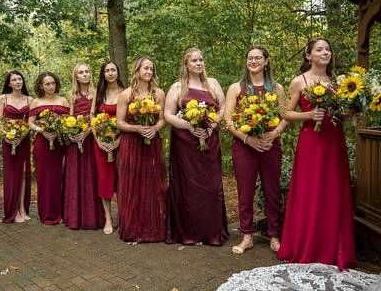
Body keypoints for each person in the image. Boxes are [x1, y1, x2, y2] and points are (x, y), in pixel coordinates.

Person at [277, 38, 356, 270]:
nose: (325, 52)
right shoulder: (299, 81)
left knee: (333, 191)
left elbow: (341, 114)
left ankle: (333, 248)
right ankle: (307, 246)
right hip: (312, 141)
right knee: (310, 190)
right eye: (319, 49)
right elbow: (285, 114)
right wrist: (309, 115)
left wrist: (352, 116)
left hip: (334, 141)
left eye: (328, 49)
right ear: (308, 55)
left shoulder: (338, 82)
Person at [224, 45, 289, 254]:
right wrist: (247, 139)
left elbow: (286, 116)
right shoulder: (236, 87)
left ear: (266, 61)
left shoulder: (276, 88)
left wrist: (275, 133)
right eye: (250, 58)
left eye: (258, 58)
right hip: (245, 146)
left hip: (270, 144)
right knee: (245, 191)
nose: (253, 61)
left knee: (272, 191)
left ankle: (274, 236)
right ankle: (247, 236)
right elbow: (228, 121)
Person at [164, 47, 229, 245]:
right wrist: (189, 126)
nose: (199, 63)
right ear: (186, 64)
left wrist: (212, 127)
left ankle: (211, 232)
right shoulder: (177, 87)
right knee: (188, 187)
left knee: (210, 187)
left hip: (209, 141)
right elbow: (168, 114)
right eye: (194, 61)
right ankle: (188, 232)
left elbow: (223, 108)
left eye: (201, 60)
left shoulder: (213, 84)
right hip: (185, 144)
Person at [116, 56, 167, 242]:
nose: (149, 72)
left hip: (152, 142)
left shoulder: (159, 93)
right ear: (137, 70)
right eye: (146, 68)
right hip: (131, 143)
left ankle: (153, 228)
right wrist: (137, 128)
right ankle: (133, 229)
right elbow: (119, 122)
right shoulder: (126, 95)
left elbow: (163, 119)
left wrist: (154, 128)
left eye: (151, 69)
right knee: (132, 184)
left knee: (153, 182)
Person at [64, 63, 104, 229]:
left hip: (91, 138)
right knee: (75, 176)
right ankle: (75, 218)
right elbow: (71, 118)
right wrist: (74, 133)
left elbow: (96, 117)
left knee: (92, 175)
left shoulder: (96, 93)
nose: (85, 74)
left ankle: (93, 218)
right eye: (81, 72)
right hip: (76, 141)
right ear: (76, 77)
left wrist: (87, 132)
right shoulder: (72, 95)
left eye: (87, 71)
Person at [28, 72, 69, 225]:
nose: (51, 86)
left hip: (59, 143)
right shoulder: (36, 102)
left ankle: (62, 213)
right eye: (47, 84)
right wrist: (42, 131)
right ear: (41, 85)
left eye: (53, 83)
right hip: (42, 144)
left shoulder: (63, 101)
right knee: (44, 179)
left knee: (60, 178)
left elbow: (68, 121)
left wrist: (58, 130)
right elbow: (30, 123)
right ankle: (47, 214)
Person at [91, 61, 125, 235]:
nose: (110, 73)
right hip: (101, 145)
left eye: (113, 70)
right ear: (103, 74)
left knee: (121, 180)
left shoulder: (125, 92)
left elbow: (127, 118)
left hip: (121, 143)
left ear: (117, 72)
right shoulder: (99, 92)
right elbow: (92, 116)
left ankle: (122, 216)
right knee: (105, 181)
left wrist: (119, 140)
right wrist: (98, 140)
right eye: (107, 70)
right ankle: (108, 219)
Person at [0, 70, 33, 223]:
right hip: (8, 140)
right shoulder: (3, 98)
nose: (18, 82)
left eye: (20, 79)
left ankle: (23, 208)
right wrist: (7, 135)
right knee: (12, 175)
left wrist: (21, 135)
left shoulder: (30, 99)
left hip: (23, 140)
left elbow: (31, 122)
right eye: (14, 80)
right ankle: (13, 210)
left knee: (24, 173)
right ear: (9, 83)